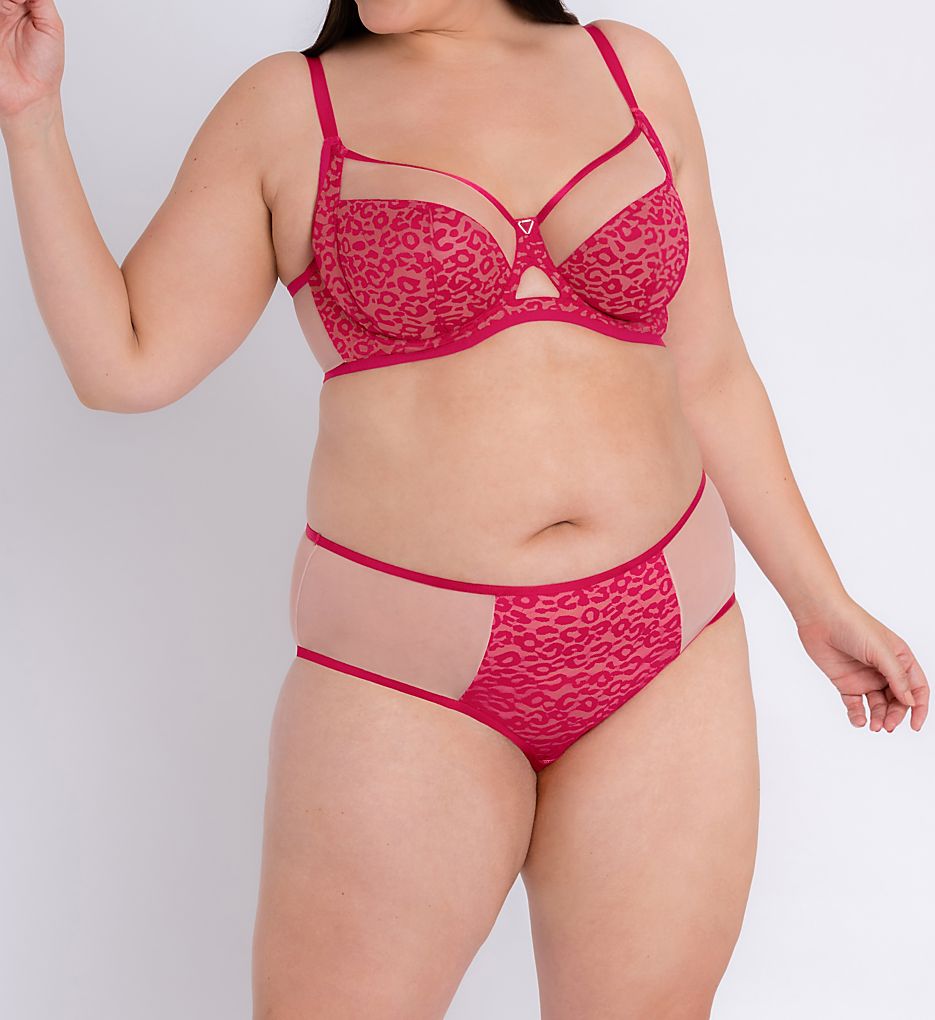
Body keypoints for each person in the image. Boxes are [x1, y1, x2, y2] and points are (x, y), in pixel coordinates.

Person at [1, 0, 928, 1016]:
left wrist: (817, 600)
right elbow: (126, 362)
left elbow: (709, 370)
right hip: (407, 674)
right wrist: (30, 118)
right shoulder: (289, 108)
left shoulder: (632, 70)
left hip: (668, 646)